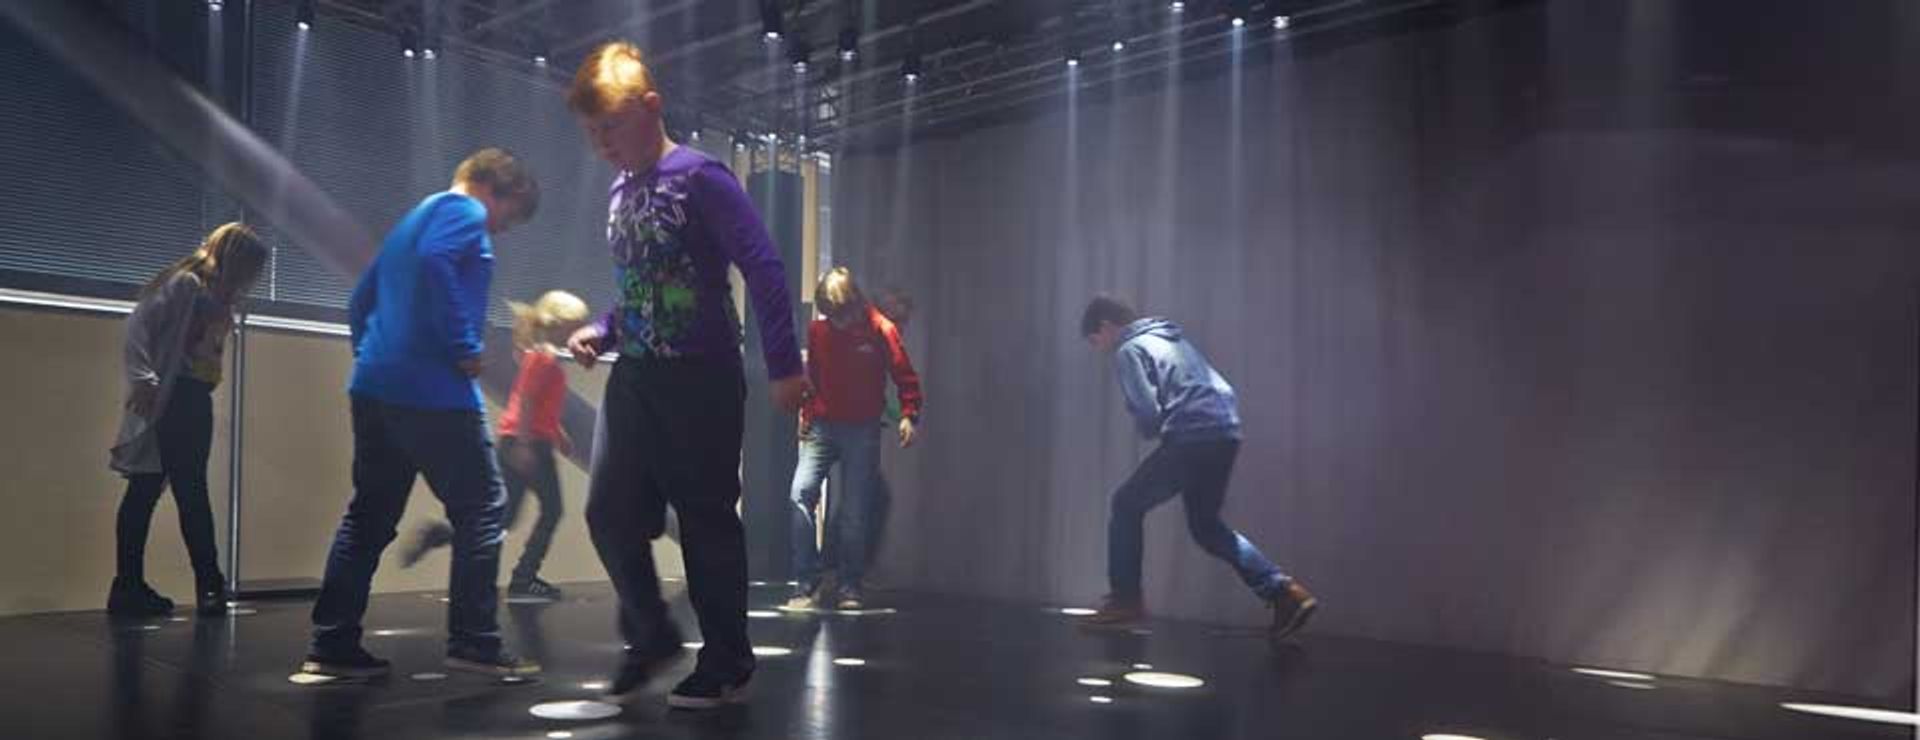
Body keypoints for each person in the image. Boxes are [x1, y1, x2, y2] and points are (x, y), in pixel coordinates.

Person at [564, 40, 808, 709]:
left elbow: (764, 267)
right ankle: (651, 635)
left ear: (651, 107)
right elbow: (641, 285)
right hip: (636, 375)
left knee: (705, 519)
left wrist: (784, 364)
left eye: (611, 127)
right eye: (591, 133)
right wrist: (604, 328)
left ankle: (727, 661)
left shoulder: (702, 177)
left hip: (701, 376)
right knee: (609, 510)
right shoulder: (620, 191)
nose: (602, 145)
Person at [302, 148, 542, 679]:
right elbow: (437, 262)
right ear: (493, 187)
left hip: (375, 388)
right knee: (483, 508)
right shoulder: (463, 210)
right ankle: (474, 642)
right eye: (510, 215)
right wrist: (462, 346)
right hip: (434, 392)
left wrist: (374, 357)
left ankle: (332, 643)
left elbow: (361, 301)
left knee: (368, 516)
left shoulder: (412, 220)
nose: (502, 229)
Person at [1077, 295, 1318, 645]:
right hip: (1225, 432)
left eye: (1095, 341)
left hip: (1192, 436)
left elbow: (1147, 412)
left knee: (1125, 504)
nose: (1098, 349)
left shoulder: (1128, 349)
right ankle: (1285, 593)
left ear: (1105, 326)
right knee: (1206, 526)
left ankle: (1124, 601)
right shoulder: (1171, 338)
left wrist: (1148, 427)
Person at [108, 222, 268, 618]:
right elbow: (139, 325)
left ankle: (132, 586)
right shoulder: (187, 285)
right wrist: (144, 379)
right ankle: (202, 585)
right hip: (176, 395)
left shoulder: (219, 296)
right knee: (178, 489)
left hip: (192, 395)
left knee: (156, 490)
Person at [399, 290, 589, 603]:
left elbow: (538, 405)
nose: (577, 333)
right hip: (528, 443)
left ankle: (443, 534)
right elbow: (527, 401)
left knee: (505, 517)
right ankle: (524, 579)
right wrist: (526, 445)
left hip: (520, 439)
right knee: (552, 510)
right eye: (575, 326)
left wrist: (558, 434)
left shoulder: (537, 356)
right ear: (559, 324)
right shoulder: (543, 358)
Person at [785, 269, 922, 612]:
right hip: (822, 425)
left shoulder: (880, 329)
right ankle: (807, 582)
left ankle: (849, 584)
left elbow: (905, 375)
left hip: (862, 428)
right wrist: (806, 416)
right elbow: (813, 378)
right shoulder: (819, 331)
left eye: (841, 315)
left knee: (855, 510)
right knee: (800, 493)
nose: (837, 323)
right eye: (830, 316)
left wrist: (909, 414)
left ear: (855, 304)